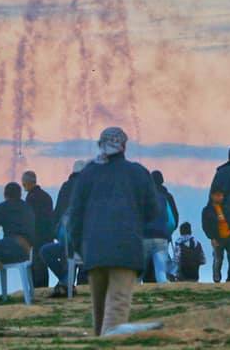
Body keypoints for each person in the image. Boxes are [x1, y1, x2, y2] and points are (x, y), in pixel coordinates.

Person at [68, 127, 160, 336]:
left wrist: (80, 247)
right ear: (124, 147)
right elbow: (153, 211)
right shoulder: (138, 172)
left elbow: (75, 216)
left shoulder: (87, 173)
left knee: (99, 319)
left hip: (93, 251)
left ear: (100, 143)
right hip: (126, 250)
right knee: (115, 315)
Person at [41, 160, 88, 297]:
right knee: (82, 268)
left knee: (59, 256)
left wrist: (56, 234)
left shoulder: (66, 187)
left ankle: (65, 281)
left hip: (67, 240)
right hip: (86, 242)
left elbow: (57, 213)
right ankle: (72, 284)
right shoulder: (89, 187)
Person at [22, 170, 54, 289]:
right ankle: (44, 288)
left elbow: (29, 219)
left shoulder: (31, 198)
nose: (23, 186)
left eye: (24, 184)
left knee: (37, 265)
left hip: (36, 236)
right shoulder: (46, 196)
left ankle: (38, 289)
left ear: (29, 183)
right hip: (47, 235)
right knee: (43, 264)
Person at [202, 190, 230, 282]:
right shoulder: (207, 210)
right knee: (218, 259)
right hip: (217, 238)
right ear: (212, 196)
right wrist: (212, 238)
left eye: (221, 195)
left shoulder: (227, 208)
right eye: (218, 195)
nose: (220, 197)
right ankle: (217, 279)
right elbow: (205, 225)